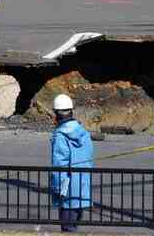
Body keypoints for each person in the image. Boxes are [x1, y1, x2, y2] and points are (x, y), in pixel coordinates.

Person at [50, 94, 93, 232]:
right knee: (74, 223)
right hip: (82, 184)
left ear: (56, 113)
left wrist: (57, 189)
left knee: (67, 227)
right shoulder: (83, 132)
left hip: (66, 188)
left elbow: (59, 164)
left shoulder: (60, 135)